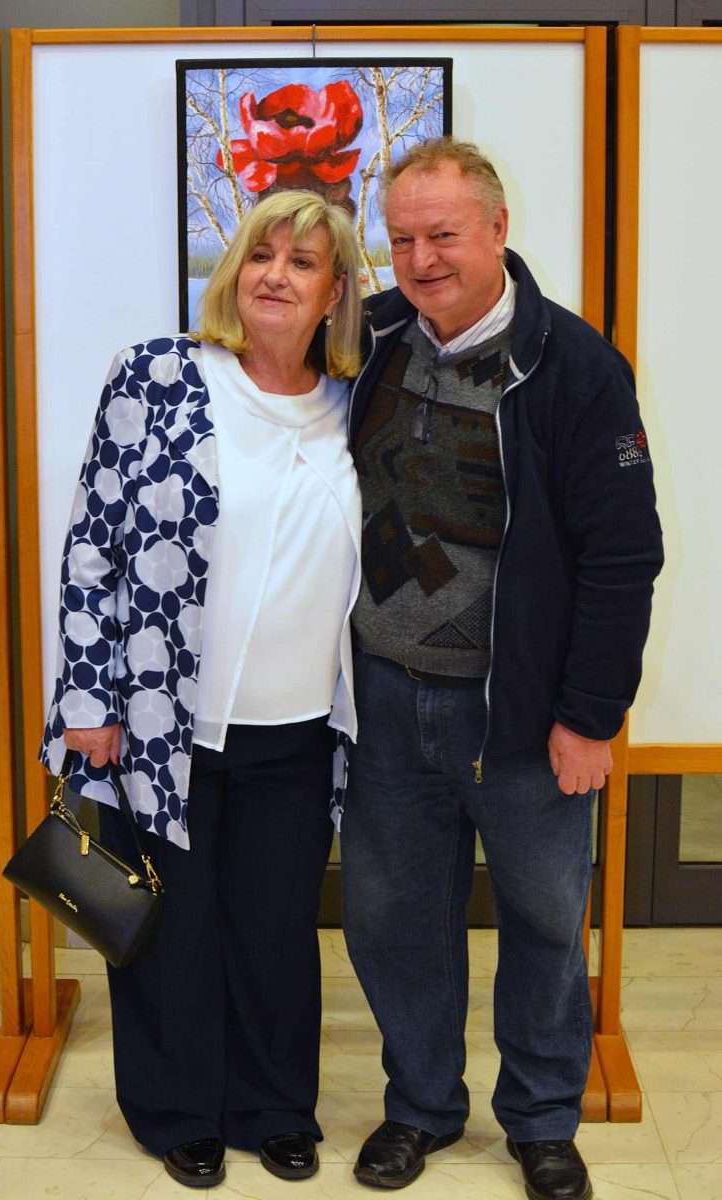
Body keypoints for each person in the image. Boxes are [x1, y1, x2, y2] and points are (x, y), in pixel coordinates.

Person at [340, 138, 663, 1200]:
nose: (421, 260)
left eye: (442, 235)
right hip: (386, 698)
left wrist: (591, 715)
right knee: (393, 919)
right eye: (401, 240)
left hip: (520, 713)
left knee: (541, 920)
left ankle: (541, 1121)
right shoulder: (370, 341)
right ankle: (420, 1106)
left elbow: (622, 556)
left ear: (497, 229)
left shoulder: (575, 366)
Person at [40, 190, 363, 1189]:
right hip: (155, 720)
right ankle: (176, 1110)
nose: (274, 275)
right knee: (165, 927)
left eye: (301, 262)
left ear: (334, 293)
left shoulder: (359, 402)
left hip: (299, 726)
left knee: (275, 931)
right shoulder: (158, 375)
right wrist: (87, 701)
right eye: (260, 254)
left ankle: (275, 1108)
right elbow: (91, 548)